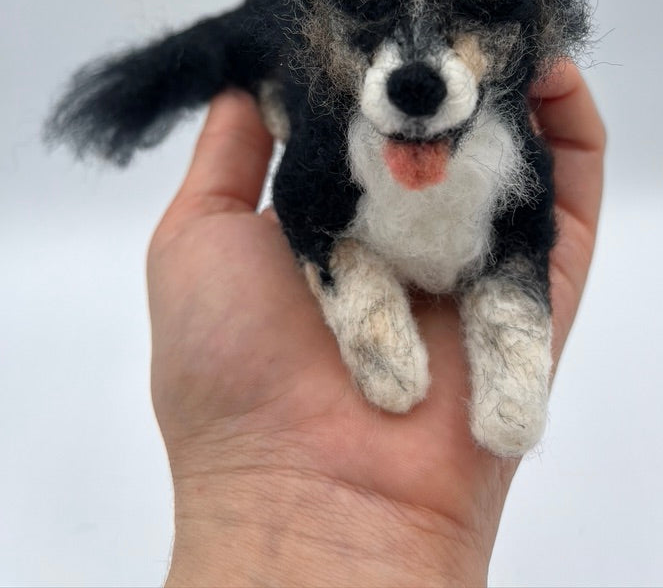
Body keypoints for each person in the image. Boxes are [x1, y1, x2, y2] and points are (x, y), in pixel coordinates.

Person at [147, 60, 605, 587]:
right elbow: (305, 209)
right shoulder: (323, 149)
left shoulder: (510, 160)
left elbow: (523, 235)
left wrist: (514, 343)